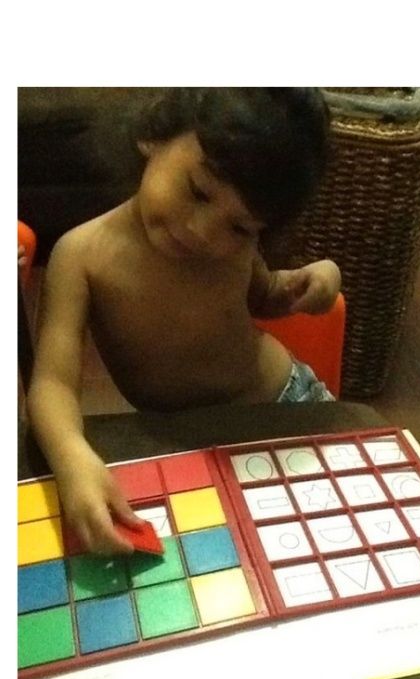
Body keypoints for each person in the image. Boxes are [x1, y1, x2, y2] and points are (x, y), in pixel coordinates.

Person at [27, 88, 341, 555]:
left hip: (286, 404)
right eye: (198, 191)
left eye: (240, 227)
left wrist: (319, 278)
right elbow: (52, 383)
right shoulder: (81, 255)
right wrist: (72, 454)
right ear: (153, 134)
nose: (202, 231)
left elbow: (266, 295)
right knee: (228, 561)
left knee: (329, 538)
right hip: (182, 439)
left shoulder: (237, 249)